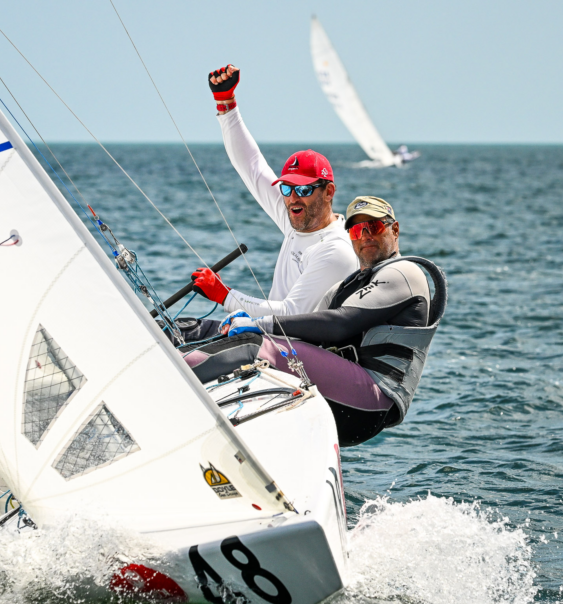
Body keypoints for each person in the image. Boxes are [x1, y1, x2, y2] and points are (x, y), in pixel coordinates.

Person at [192, 196, 446, 446]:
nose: (366, 235)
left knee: (252, 347)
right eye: (357, 230)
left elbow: (339, 324)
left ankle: (172, 384)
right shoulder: (343, 288)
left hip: (372, 401)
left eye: (375, 226)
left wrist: (260, 325)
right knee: (218, 333)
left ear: (395, 229)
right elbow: (303, 329)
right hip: (342, 395)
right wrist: (246, 320)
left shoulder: (405, 272)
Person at [183, 65, 358, 341]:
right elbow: (252, 167)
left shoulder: (336, 250)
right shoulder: (298, 219)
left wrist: (225, 295)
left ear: (328, 192)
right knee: (179, 331)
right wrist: (226, 103)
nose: (292, 197)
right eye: (287, 188)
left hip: (305, 357)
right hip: (272, 339)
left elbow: (292, 312)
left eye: (303, 188)